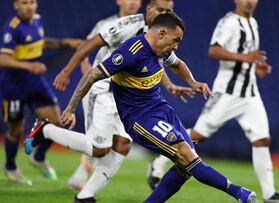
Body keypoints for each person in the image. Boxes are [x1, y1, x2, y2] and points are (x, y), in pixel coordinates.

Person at [28, 12, 257, 203]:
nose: (176, 46)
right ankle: (239, 193)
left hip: (161, 110)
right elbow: (91, 74)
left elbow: (178, 64)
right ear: (161, 33)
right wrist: (69, 109)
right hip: (139, 118)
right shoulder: (132, 52)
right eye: (175, 40)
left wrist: (193, 82)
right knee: (183, 155)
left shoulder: (162, 50)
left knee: (186, 166)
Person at [27, 0, 193, 202]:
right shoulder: (127, 25)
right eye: (160, 9)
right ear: (148, 9)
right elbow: (90, 44)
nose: (163, 14)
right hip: (103, 90)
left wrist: (170, 87)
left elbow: (154, 66)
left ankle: (85, 196)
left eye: (168, 11)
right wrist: (67, 71)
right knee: (98, 150)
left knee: (123, 145)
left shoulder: (163, 36)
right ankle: (45, 129)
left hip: (127, 98)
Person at [147, 0, 279, 203]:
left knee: (262, 140)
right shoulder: (229, 22)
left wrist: (255, 66)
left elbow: (248, 57)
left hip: (250, 93)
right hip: (227, 92)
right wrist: (245, 59)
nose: (250, 1)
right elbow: (214, 51)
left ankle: (270, 194)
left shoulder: (253, 23)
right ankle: (159, 162)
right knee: (199, 135)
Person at [0, 0, 82, 185]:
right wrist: (29, 65)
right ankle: (11, 166)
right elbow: (3, 59)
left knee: (58, 121)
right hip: (13, 86)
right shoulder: (12, 28)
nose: (29, 6)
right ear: (16, 6)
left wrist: (65, 42)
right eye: (24, 3)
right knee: (16, 129)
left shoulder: (36, 20)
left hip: (35, 82)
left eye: (32, 2)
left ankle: (39, 156)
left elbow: (40, 42)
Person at [66, 0, 143, 190]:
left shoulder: (145, 27)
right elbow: (86, 47)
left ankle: (87, 183)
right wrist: (86, 70)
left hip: (124, 92)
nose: (133, 3)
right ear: (119, 1)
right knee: (97, 141)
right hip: (100, 88)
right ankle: (81, 172)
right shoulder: (105, 24)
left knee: (117, 142)